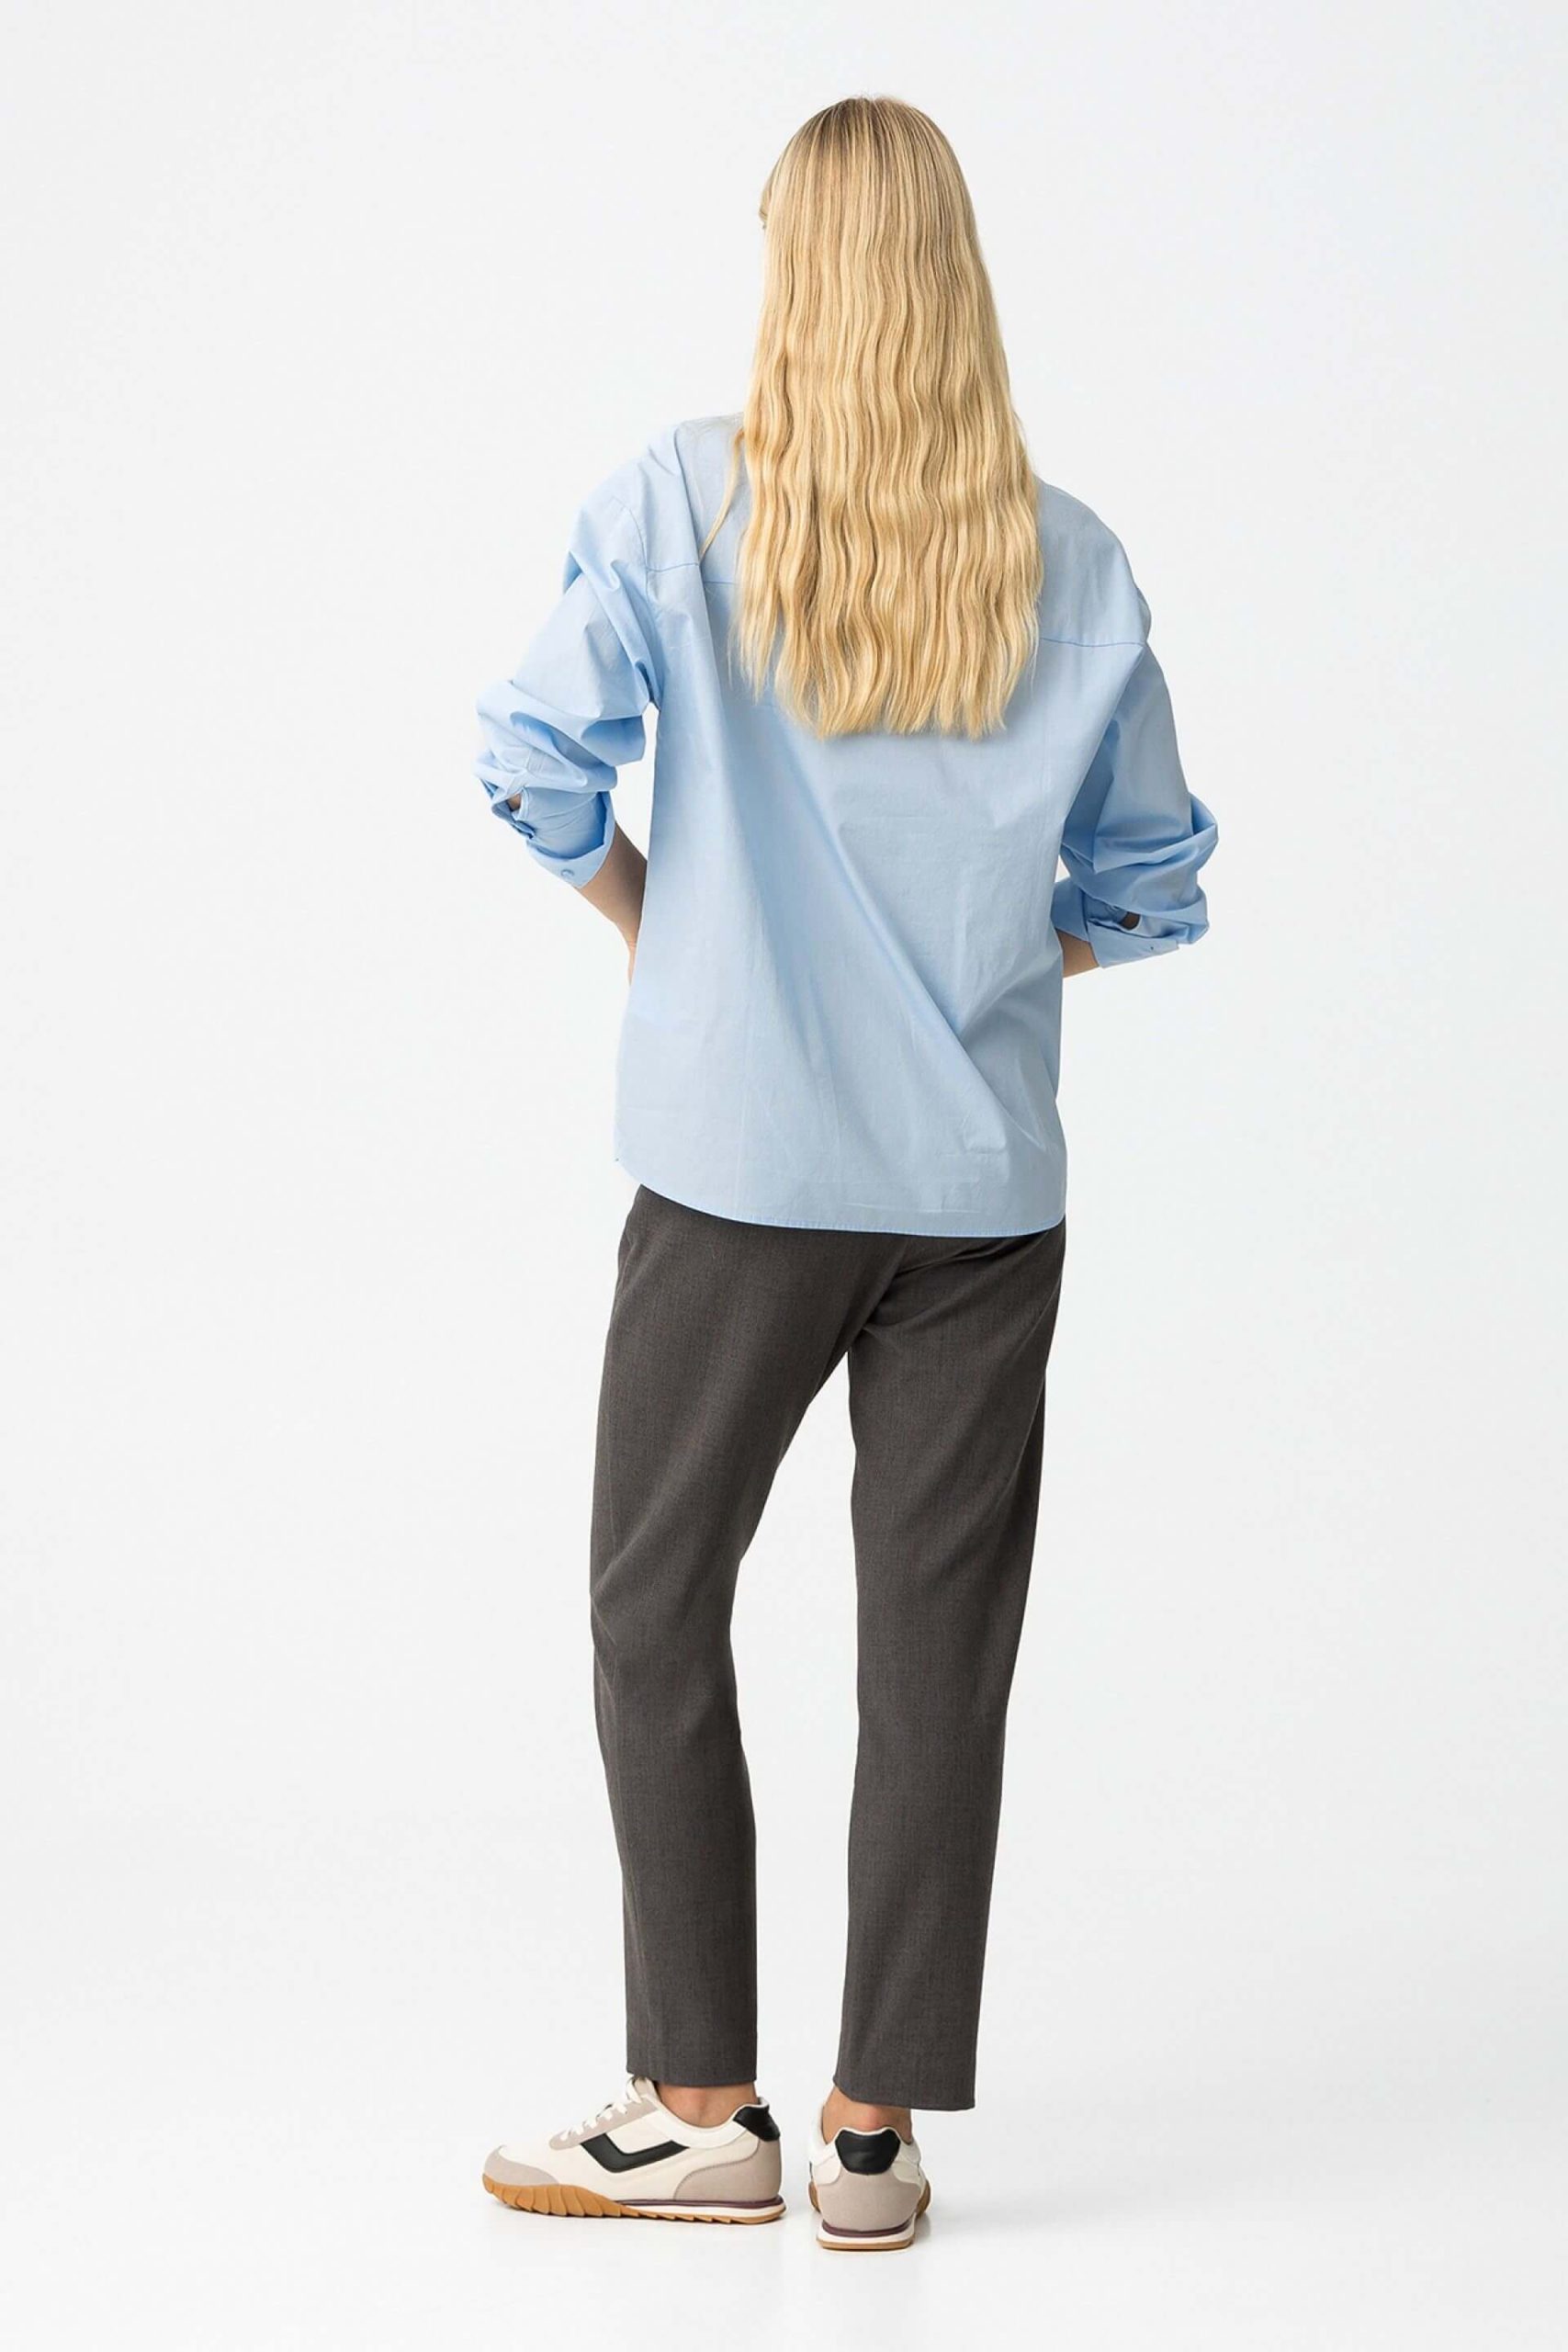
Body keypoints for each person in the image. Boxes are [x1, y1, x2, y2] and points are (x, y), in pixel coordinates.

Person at [472, 95, 1215, 2252]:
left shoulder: (677, 501)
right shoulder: (1069, 560)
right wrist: (977, 971)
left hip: (736, 1173)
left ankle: (698, 2104)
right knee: (936, 1650)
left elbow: (523, 764)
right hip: (977, 1192)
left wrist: (662, 925)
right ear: (954, 276)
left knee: (651, 1601)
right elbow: (1149, 892)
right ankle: (870, 2134)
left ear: (792, 269)